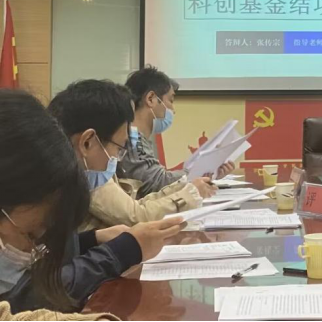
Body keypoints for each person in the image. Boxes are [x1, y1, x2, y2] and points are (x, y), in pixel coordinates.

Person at [0, 90, 183, 320]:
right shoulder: (46, 178)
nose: (33, 252)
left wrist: (91, 240)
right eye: (29, 234)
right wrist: (122, 251)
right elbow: (27, 297)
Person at [48, 80, 207, 231]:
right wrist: (188, 194)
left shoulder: (88, 169)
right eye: (119, 149)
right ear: (87, 143)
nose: (118, 159)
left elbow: (134, 205)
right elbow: (136, 216)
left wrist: (96, 238)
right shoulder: (85, 177)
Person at [121, 66, 233, 199]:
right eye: (170, 100)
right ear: (151, 99)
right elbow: (157, 183)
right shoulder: (133, 139)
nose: (173, 110)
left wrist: (207, 172)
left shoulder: (138, 137)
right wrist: (201, 170)